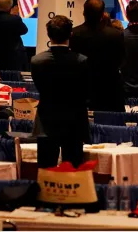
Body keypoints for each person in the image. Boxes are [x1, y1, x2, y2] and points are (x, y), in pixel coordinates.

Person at [31, 16, 89, 168]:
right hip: (74, 123)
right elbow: (85, 91)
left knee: (45, 176)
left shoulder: (36, 61)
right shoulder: (81, 61)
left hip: (46, 122)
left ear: (49, 36)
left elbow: (40, 87)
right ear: (70, 35)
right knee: (73, 177)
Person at [70, 0, 125, 111]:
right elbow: (121, 61)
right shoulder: (116, 35)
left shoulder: (73, 34)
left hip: (81, 92)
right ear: (102, 15)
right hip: (110, 93)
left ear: (84, 13)